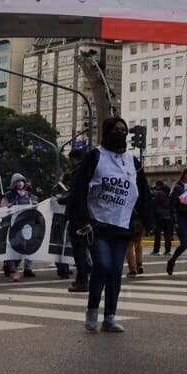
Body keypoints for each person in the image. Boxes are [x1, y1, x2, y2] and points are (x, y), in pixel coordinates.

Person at [68, 116, 153, 333]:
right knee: (103, 266)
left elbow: (143, 192)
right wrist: (82, 218)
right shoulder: (95, 156)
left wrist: (144, 219)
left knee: (115, 271)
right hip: (97, 224)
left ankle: (110, 317)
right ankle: (92, 312)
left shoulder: (133, 162)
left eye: (124, 130)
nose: (121, 133)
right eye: (116, 130)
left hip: (122, 226)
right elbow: (79, 187)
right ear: (107, 132)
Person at [2, 174, 38, 281]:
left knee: (28, 246)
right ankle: (12, 269)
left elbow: (35, 205)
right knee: (13, 247)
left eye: (22, 181)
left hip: (27, 225)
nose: (20, 183)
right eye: (17, 181)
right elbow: (2, 206)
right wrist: (6, 206)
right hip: (14, 225)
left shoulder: (29, 195)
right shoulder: (9, 195)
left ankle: (28, 268)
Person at [149, 179, 175, 258]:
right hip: (168, 217)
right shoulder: (169, 193)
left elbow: (153, 205)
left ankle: (156, 250)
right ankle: (167, 251)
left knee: (158, 235)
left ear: (158, 185)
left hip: (159, 216)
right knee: (167, 235)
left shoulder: (157, 193)